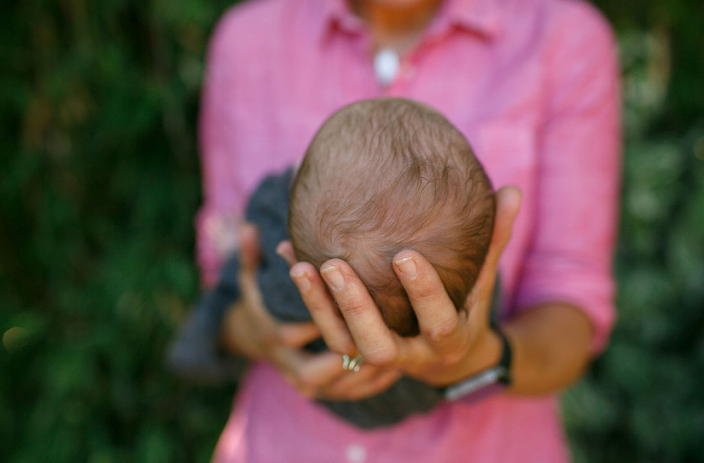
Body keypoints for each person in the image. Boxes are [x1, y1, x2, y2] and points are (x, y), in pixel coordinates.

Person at [173, 0, 621, 460]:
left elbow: (571, 305)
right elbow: (224, 279)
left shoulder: (562, 38)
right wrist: (261, 333)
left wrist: (475, 362)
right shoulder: (248, 41)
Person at [175, 97, 497, 428]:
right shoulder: (473, 270)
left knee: (250, 259)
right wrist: (484, 355)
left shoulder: (287, 267)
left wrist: (280, 194)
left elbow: (245, 275)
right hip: (414, 397)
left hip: (317, 393)